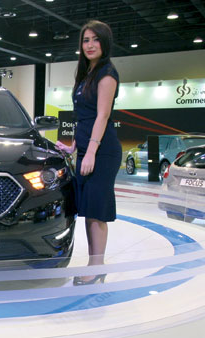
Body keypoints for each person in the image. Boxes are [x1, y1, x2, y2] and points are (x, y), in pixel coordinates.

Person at [55, 20, 121, 286]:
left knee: (97, 210)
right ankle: (94, 264)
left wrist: (91, 151)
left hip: (103, 152)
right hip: (88, 149)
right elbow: (84, 118)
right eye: (85, 40)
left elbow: (102, 116)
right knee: (88, 210)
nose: (90, 45)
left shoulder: (107, 73)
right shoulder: (86, 74)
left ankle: (97, 267)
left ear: (104, 43)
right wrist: (74, 147)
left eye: (95, 39)